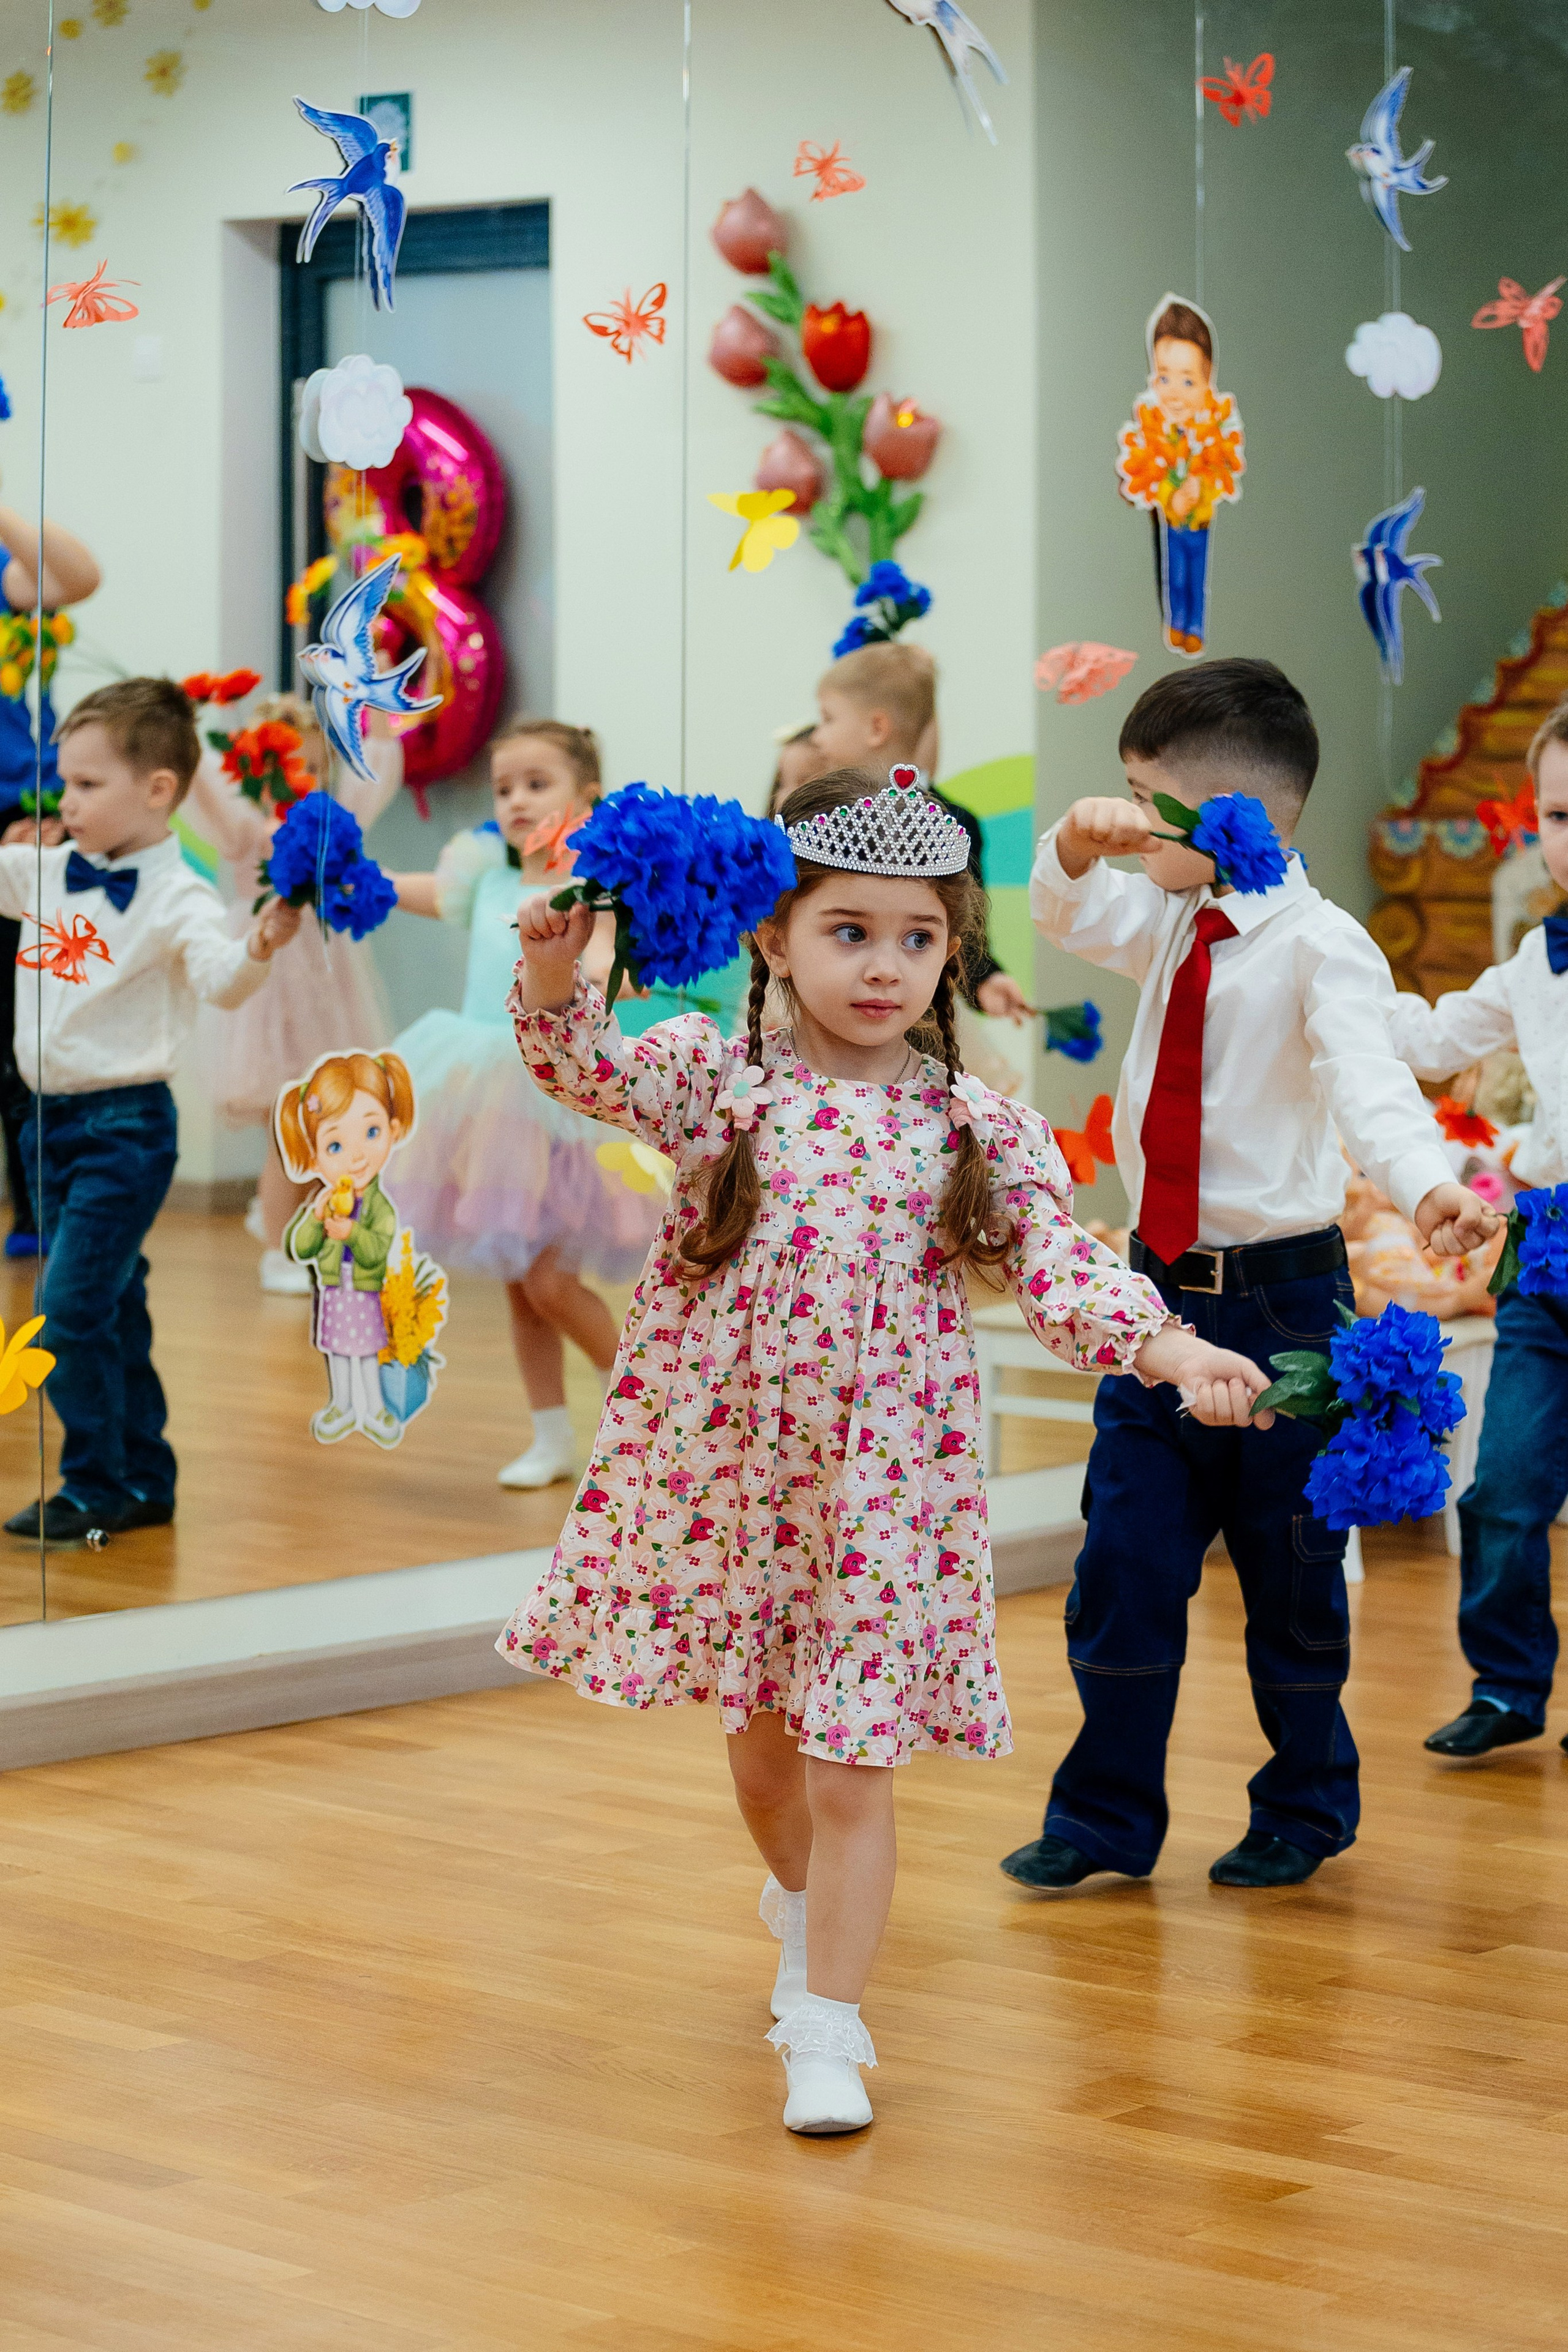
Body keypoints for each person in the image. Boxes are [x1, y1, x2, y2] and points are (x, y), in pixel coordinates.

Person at [500, 764, 1274, 2137]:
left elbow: (1058, 1269)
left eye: (917, 940)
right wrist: (564, 978)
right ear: (772, 937)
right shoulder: (713, 1079)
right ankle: (800, 1913)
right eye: (847, 933)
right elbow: (578, 1068)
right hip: (731, 1481)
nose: (884, 968)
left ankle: (828, 2026)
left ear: (951, 951)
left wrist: (1176, 1351)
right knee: (760, 1752)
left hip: (883, 1498)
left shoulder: (969, 1122)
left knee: (853, 1760)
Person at [1009, 657, 1501, 1893]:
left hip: (1282, 1300)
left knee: (1288, 1576)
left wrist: (1426, 1182)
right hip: (1150, 1294)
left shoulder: (1319, 945)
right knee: (1121, 1565)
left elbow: (1368, 1083)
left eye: (1140, 796)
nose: (1126, 816)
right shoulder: (1170, 911)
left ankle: (1304, 1803)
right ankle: (1103, 1818)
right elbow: (1070, 911)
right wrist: (1074, 844)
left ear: (1231, 814)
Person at [0, 677, 300, 1545]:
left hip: (123, 1130)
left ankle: (92, 1485)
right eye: (65, 783)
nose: (68, 802)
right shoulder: (45, 871)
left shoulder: (178, 898)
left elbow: (221, 981)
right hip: (41, 1125)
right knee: (113, 1298)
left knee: (68, 1306)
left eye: (88, 786)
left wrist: (260, 945)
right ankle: (144, 1475)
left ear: (158, 790)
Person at [388, 718, 662, 1489]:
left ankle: (652, 1411)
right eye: (504, 787)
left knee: (549, 1282)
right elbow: (431, 894)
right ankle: (550, 1436)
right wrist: (352, 880)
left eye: (536, 785)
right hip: (489, 1099)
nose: (514, 800)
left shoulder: (592, 892)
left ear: (587, 797)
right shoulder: (486, 876)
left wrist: (612, 965)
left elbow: (608, 956)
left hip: (565, 1102)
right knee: (521, 1289)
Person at [1381, 698, 1568, 1760]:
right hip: (1548, 1242)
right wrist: (1341, 982)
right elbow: (1437, 1033)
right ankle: (1506, 1685)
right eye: (1558, 813)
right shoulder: (1537, 962)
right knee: (1506, 1479)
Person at [187, 692, 400, 1296]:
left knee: (329, 1119)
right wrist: (189, 720)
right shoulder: (246, 831)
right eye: (285, 766)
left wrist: (377, 704)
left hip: (328, 978)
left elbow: (377, 770)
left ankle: (306, 1231)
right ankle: (282, 1245)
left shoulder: (334, 818)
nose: (300, 779)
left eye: (312, 766)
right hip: (267, 978)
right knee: (293, 1130)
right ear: (254, 770)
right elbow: (202, 783)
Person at [809, 640, 1032, 1025]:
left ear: (876, 728)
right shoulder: (818, 814)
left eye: (828, 719)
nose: (816, 736)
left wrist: (985, 980)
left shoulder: (954, 823)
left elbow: (964, 929)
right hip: (824, 1015)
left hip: (909, 1025)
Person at [0, 507, 102, 1256]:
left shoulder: (10, 574)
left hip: (16, 812)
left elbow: (79, 576)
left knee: (22, 1021)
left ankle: (39, 1204)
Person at [277, 1049, 416, 1447]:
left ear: (392, 1130)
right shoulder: (323, 1203)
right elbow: (301, 1248)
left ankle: (373, 1407)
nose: (356, 1157)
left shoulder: (380, 1207)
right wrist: (317, 1220)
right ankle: (341, 1404)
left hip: (366, 1290)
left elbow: (376, 1249)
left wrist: (351, 1232)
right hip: (335, 1290)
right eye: (335, 1146)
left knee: (368, 1352)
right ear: (316, 1156)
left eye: (371, 1134)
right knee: (337, 1351)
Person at [1115, 296, 1243, 657]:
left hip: (1200, 518)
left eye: (1188, 382)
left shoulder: (1215, 429)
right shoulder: (1153, 429)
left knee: (1197, 573)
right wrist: (1171, 491)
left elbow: (1223, 468)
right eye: (1164, 377)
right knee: (1176, 573)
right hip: (1171, 516)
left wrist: (1200, 484)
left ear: (1208, 383)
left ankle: (1195, 626)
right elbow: (1145, 468)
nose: (1174, 392)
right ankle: (1176, 622)